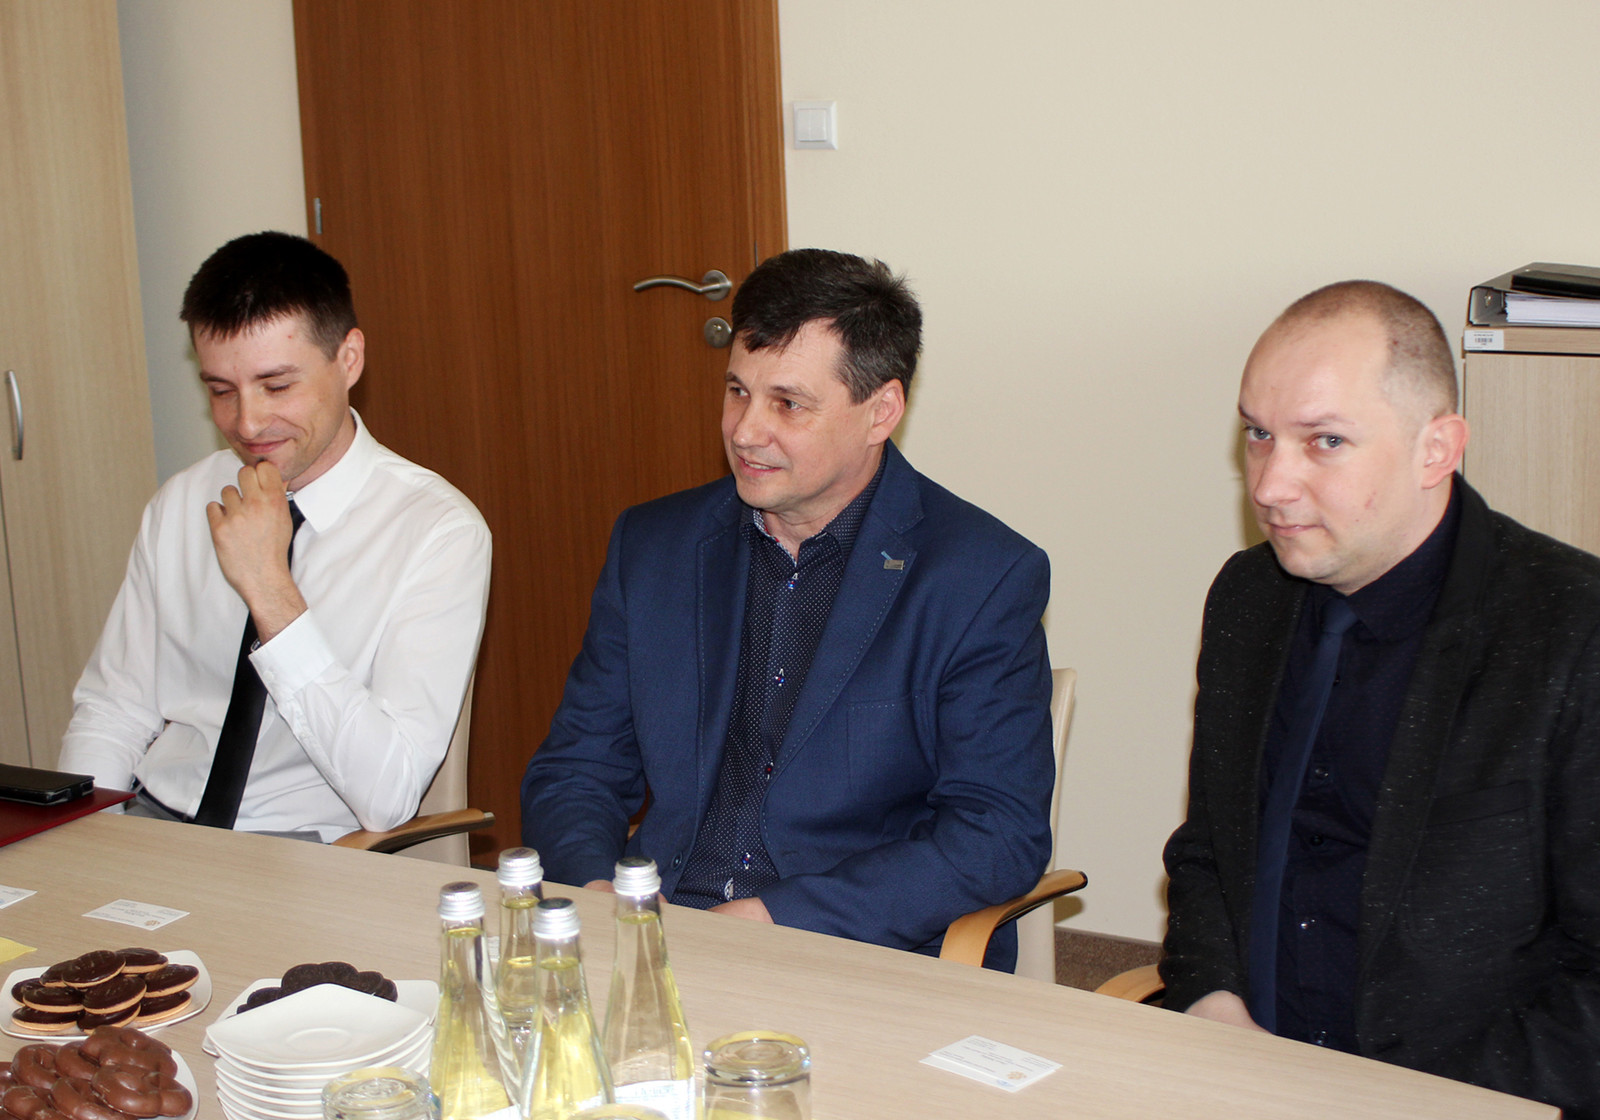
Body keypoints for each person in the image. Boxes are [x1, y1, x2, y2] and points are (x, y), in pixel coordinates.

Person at [521, 248, 1054, 968]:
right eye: (737, 391)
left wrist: (775, 918)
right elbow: (576, 768)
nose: (745, 431)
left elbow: (997, 832)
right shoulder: (654, 547)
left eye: (788, 404)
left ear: (880, 411)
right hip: (659, 930)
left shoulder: (979, 576)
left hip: (850, 950)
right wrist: (599, 894)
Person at [1161, 280, 1600, 1120]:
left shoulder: (1570, 632)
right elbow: (1210, 850)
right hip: (1250, 1084)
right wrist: (1211, 1000)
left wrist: (1402, 1109)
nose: (1271, 485)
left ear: (1437, 449)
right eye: (1258, 433)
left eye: (1324, 441)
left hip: (1468, 1106)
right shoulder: (1250, 598)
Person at [60, 231, 491, 842]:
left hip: (309, 850)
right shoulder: (182, 501)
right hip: (155, 824)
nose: (247, 422)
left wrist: (270, 589)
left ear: (349, 359)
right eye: (220, 391)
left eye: (277, 386)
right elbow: (113, 709)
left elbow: (389, 797)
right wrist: (83, 840)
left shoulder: (437, 531)